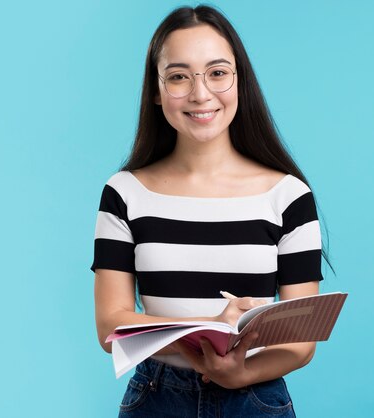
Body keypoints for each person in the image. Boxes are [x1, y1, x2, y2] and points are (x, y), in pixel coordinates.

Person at [91, 5, 326, 417]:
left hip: (256, 398)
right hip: (156, 395)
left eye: (217, 73)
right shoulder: (124, 193)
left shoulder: (289, 196)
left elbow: (300, 341)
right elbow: (110, 326)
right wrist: (214, 323)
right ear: (157, 90)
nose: (201, 94)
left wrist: (239, 375)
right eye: (179, 76)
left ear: (240, 81)